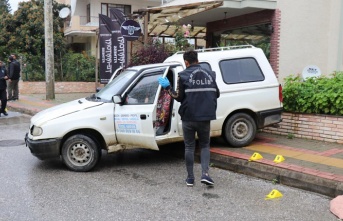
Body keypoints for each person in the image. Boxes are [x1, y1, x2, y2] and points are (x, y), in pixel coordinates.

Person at [158, 49, 220, 187]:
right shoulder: (211, 74)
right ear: (197, 59)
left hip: (189, 117)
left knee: (189, 147)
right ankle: (205, 174)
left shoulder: (183, 75)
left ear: (186, 62)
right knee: (204, 145)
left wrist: (167, 87)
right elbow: (217, 93)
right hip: (205, 117)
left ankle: (190, 178)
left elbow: (178, 97)